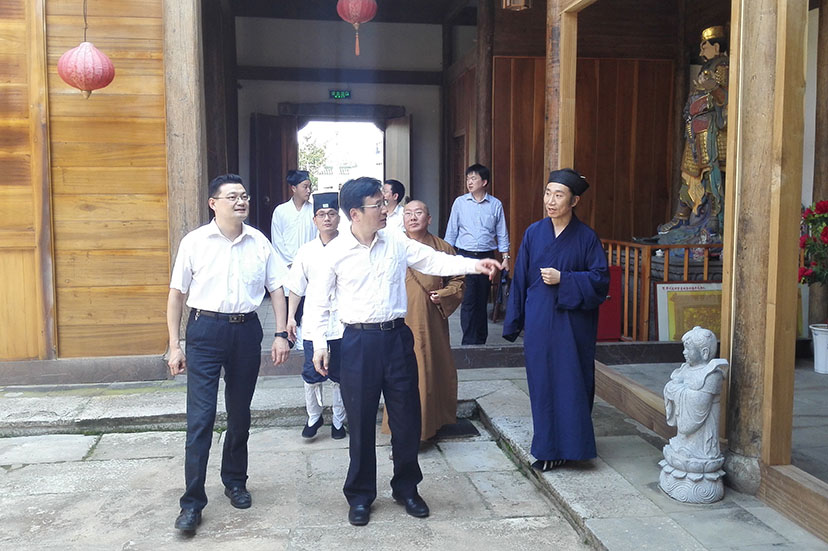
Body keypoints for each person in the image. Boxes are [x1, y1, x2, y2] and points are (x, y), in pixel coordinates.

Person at [304, 177, 501, 526]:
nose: (385, 209)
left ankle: (407, 488)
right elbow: (317, 302)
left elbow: (434, 261)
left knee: (407, 419)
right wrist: (319, 344)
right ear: (355, 213)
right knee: (360, 422)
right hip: (358, 343)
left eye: (384, 202)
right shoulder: (335, 252)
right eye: (377, 204)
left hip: (397, 338)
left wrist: (475, 265)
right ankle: (360, 495)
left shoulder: (396, 241)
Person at [167, 173, 291, 535]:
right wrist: (175, 344)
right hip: (205, 331)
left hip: (245, 331)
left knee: (240, 413)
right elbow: (177, 294)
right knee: (201, 418)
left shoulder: (259, 242)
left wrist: (281, 334)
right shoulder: (195, 242)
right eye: (233, 197)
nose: (241, 202)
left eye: (244, 196)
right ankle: (192, 502)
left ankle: (235, 481)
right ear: (213, 203)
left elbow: (277, 288)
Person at [503, 168, 609, 472]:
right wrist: (515, 320)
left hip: (573, 324)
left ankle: (573, 448)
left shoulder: (587, 237)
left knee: (572, 381)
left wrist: (565, 278)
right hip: (539, 318)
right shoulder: (534, 233)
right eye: (548, 193)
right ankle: (547, 448)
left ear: (574, 201)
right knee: (542, 383)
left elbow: (600, 281)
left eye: (558, 195)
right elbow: (520, 278)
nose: (550, 201)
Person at [380, 200, 465, 442]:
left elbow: (458, 280)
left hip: (429, 322)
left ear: (429, 219)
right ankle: (402, 432)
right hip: (397, 320)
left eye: (419, 213)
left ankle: (429, 426)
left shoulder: (443, 248)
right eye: (408, 213)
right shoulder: (390, 245)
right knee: (399, 376)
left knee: (429, 371)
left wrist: (444, 295)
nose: (413, 217)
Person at [657, 25, 728, 248]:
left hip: (712, 128)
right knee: (688, 172)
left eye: (705, 46)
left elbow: (725, 98)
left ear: (717, 47)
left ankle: (714, 218)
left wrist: (713, 87)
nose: (701, 51)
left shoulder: (723, 66)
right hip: (696, 127)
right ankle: (682, 216)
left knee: (710, 172)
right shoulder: (706, 67)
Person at [285, 192, 347, 440]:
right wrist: (291, 317)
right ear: (314, 220)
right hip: (314, 320)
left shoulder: (349, 247)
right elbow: (296, 287)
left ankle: (339, 421)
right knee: (312, 374)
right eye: (321, 214)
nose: (327, 218)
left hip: (343, 321)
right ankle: (313, 416)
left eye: (331, 214)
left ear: (339, 217)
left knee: (340, 375)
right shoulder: (306, 251)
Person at [444, 163, 510, 344]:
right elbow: (452, 230)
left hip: (486, 257)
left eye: (473, 178)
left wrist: (505, 258)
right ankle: (468, 341)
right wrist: (446, 255)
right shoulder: (460, 203)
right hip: (464, 255)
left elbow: (502, 233)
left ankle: (480, 340)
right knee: (468, 299)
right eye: (468, 179)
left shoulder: (495, 204)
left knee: (482, 299)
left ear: (484, 182)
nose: (469, 182)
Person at [270, 170, 317, 348]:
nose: (308, 190)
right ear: (293, 188)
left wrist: (307, 262)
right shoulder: (281, 211)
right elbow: (277, 241)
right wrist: (292, 263)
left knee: (308, 302)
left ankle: (306, 339)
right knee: (289, 301)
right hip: (288, 266)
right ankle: (289, 338)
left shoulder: (314, 211)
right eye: (305, 187)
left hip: (310, 265)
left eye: (309, 186)